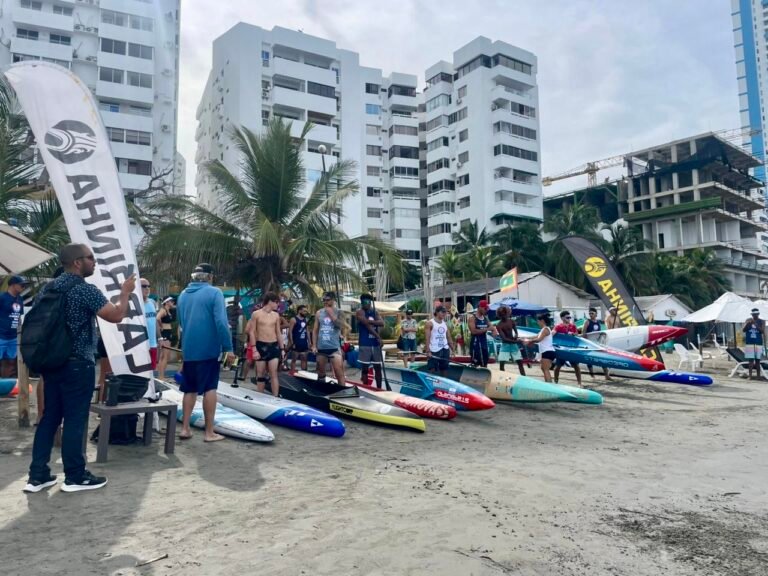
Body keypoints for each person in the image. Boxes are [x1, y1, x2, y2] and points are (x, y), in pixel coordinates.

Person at [25, 243, 135, 493]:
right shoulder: (85, 290)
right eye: (90, 258)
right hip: (77, 365)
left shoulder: (47, 289)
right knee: (75, 419)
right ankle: (75, 476)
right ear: (77, 262)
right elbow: (116, 315)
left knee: (49, 418)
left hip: (52, 364)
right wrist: (125, 292)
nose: (94, 262)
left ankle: (37, 475)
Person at [176, 263, 234, 442]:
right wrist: (228, 348)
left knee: (189, 389)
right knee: (210, 387)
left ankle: (185, 428)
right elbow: (221, 323)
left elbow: (181, 323)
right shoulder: (214, 292)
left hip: (189, 348)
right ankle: (209, 432)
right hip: (208, 348)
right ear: (210, 276)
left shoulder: (183, 295)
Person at [249, 292, 283, 396]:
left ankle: (275, 397)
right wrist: (254, 349)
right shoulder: (256, 314)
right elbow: (252, 331)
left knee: (274, 373)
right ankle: (260, 396)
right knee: (260, 373)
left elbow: (278, 332)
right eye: (277, 302)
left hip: (273, 345)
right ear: (271, 302)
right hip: (260, 345)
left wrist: (282, 349)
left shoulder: (276, 315)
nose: (278, 305)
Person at [312, 291, 345, 385]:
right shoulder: (319, 313)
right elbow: (315, 330)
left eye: (327, 300)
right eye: (324, 300)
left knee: (339, 372)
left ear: (333, 300)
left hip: (334, 347)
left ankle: (342, 391)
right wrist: (314, 345)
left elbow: (341, 326)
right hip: (321, 347)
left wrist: (331, 314)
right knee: (321, 372)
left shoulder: (339, 312)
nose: (325, 302)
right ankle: (321, 390)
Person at [0, 275, 28, 378]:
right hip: (1, 335)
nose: (24, 287)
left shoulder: (20, 299)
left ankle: (5, 388)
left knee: (10, 362)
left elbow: (19, 316)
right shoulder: (2, 297)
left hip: (13, 337)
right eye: (22, 285)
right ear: (13, 285)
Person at [356, 294, 385, 388]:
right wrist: (378, 337)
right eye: (364, 302)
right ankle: (365, 387)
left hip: (375, 344)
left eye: (368, 302)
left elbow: (382, 323)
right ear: (361, 303)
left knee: (378, 368)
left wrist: (370, 321)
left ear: (371, 303)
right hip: (365, 343)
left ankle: (379, 388)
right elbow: (366, 325)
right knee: (365, 368)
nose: (366, 304)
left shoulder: (375, 312)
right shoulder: (359, 312)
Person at [523, 313, 555, 383]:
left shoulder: (545, 329)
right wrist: (523, 338)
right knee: (543, 368)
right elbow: (535, 336)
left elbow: (539, 339)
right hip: (547, 352)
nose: (537, 322)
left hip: (547, 351)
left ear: (542, 321)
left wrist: (529, 341)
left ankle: (550, 386)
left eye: (538, 321)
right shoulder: (543, 330)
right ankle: (549, 384)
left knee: (545, 369)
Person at [581, 307, 612, 381]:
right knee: (589, 360)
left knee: (602, 358)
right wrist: (585, 342)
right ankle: (592, 376)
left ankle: (606, 375)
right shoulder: (587, 322)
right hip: (589, 343)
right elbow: (583, 332)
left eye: (592, 313)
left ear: (596, 314)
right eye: (590, 313)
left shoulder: (598, 322)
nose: (591, 315)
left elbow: (599, 333)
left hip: (597, 343)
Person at [553, 310, 582, 386]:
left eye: (570, 317)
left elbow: (576, 334)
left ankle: (579, 383)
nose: (569, 319)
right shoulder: (558, 326)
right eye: (567, 317)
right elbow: (553, 332)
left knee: (576, 366)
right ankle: (556, 382)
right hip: (562, 349)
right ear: (562, 318)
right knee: (558, 366)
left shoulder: (573, 326)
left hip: (571, 349)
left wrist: (573, 334)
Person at [425, 305, 455, 376]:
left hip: (445, 349)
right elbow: (427, 338)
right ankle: (429, 383)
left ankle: (443, 384)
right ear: (437, 312)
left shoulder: (445, 324)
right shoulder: (430, 323)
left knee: (444, 368)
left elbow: (448, 337)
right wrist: (428, 351)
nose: (444, 314)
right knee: (431, 369)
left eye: (445, 312)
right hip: (434, 349)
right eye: (443, 312)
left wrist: (453, 349)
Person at [496, 305, 525, 375]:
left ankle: (524, 377)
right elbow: (504, 339)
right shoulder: (499, 325)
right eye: (501, 315)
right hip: (506, 345)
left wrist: (516, 335)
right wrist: (516, 341)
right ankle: (502, 377)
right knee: (502, 363)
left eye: (504, 314)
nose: (503, 316)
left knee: (520, 362)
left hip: (513, 344)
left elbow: (516, 332)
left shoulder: (511, 321)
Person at [468, 300, 497, 368]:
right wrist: (487, 329)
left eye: (487, 308)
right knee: (475, 364)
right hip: (475, 344)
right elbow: (473, 331)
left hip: (484, 343)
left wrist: (494, 331)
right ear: (480, 307)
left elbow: (492, 328)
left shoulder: (486, 318)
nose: (486, 310)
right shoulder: (472, 318)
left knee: (485, 363)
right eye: (485, 308)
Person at [156, 297, 176, 380]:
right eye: (171, 301)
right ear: (167, 302)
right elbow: (157, 318)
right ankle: (161, 376)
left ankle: (160, 375)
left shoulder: (168, 311)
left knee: (164, 356)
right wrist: (161, 326)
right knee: (164, 356)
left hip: (168, 333)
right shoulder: (163, 310)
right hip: (165, 334)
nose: (173, 303)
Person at [743, 308, 766, 380]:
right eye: (753, 315)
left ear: (758, 314)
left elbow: (762, 331)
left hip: (758, 343)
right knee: (750, 360)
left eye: (756, 314)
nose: (754, 316)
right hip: (749, 343)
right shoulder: (747, 320)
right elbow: (743, 330)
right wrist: (747, 323)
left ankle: (758, 376)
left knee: (758, 360)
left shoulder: (762, 321)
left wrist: (755, 324)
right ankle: (750, 376)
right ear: (751, 314)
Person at [141, 279, 158, 371]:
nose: (147, 288)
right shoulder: (134, 304)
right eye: (143, 286)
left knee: (152, 371)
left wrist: (160, 338)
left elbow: (155, 321)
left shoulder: (152, 302)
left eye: (148, 286)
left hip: (153, 344)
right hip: (140, 345)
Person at [288, 304, 311, 372]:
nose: (305, 313)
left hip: (304, 343)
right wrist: (292, 343)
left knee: (304, 359)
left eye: (306, 311)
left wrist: (309, 342)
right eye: (304, 311)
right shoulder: (293, 319)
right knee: (294, 359)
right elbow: (290, 332)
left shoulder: (306, 319)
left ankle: (304, 374)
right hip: (296, 342)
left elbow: (308, 331)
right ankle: (292, 374)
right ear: (299, 311)